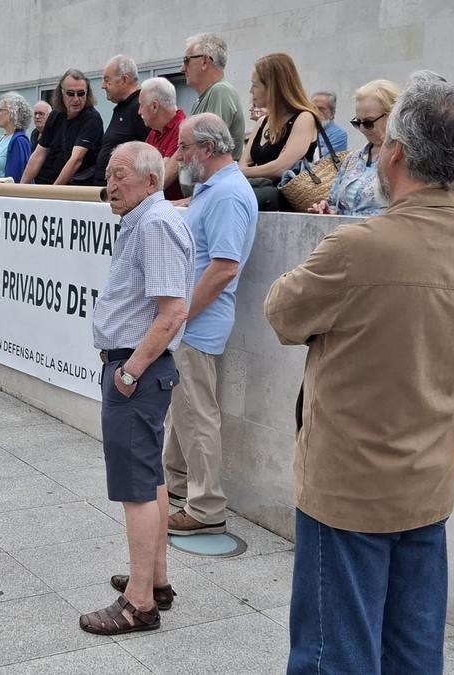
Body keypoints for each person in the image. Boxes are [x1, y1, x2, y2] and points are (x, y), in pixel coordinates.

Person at [265, 80, 454, 675]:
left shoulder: (361, 247)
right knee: (414, 652)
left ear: (395, 153)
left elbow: (282, 313)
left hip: (349, 489)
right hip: (429, 482)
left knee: (333, 655)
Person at [83, 141, 193, 636]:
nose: (111, 184)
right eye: (109, 174)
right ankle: (157, 580)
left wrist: (129, 372)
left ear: (152, 180)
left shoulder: (154, 224)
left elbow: (172, 312)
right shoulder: (146, 220)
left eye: (121, 174)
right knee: (149, 479)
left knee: (136, 490)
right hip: (138, 371)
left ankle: (139, 603)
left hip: (137, 373)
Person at [160, 113, 258, 536]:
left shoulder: (227, 195)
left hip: (196, 324)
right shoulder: (214, 191)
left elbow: (222, 269)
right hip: (191, 322)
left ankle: (205, 508)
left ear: (209, 149)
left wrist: (180, 315)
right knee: (183, 412)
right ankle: (179, 491)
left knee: (197, 415)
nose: (178, 155)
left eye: (184, 147)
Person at [308, 80, 403, 216]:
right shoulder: (352, 159)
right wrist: (328, 211)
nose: (363, 129)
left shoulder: (407, 158)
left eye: (368, 122)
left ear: (392, 115)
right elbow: (335, 202)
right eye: (357, 122)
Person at [240, 53, 321, 181]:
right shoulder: (263, 121)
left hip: (286, 197)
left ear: (273, 88)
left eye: (255, 85)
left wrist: (246, 171)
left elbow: (281, 169)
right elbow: (242, 165)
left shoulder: (304, 118)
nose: (250, 91)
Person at [20, 68, 104, 186]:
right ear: (62, 93)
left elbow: (76, 160)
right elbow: (38, 155)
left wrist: (54, 192)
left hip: (83, 188)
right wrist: (22, 186)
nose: (76, 99)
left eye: (81, 93)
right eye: (70, 93)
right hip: (59, 185)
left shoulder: (92, 118)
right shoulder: (55, 116)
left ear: (87, 93)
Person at [182, 33, 245, 160]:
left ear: (204, 61)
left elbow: (206, 151)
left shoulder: (220, 91)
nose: (182, 68)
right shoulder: (203, 98)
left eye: (186, 60)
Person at [91, 55, 149, 186]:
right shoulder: (123, 107)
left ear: (124, 80)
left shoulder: (139, 107)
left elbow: (151, 150)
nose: (103, 86)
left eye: (107, 80)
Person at [137, 77, 187, 200]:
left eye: (141, 106)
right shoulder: (153, 134)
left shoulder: (183, 129)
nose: (139, 112)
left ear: (154, 106)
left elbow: (163, 178)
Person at [0, 91, 33, 182]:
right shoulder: (1, 139)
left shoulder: (19, 141)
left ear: (12, 112)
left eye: (0, 111)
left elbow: (16, 179)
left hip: (5, 194)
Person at [311, 90, 349, 157]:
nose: (315, 112)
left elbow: (326, 164)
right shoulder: (303, 130)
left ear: (332, 113)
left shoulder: (338, 134)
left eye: (321, 109)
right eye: (313, 108)